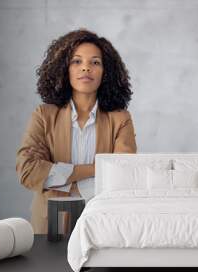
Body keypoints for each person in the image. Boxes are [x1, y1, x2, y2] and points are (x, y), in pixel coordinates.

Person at [16, 29, 137, 234]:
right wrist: (94, 170)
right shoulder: (43, 115)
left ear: (106, 72)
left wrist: (60, 177)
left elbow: (122, 172)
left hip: (102, 224)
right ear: (64, 69)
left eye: (95, 62)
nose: (86, 68)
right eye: (77, 62)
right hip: (50, 225)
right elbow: (28, 171)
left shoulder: (120, 118)